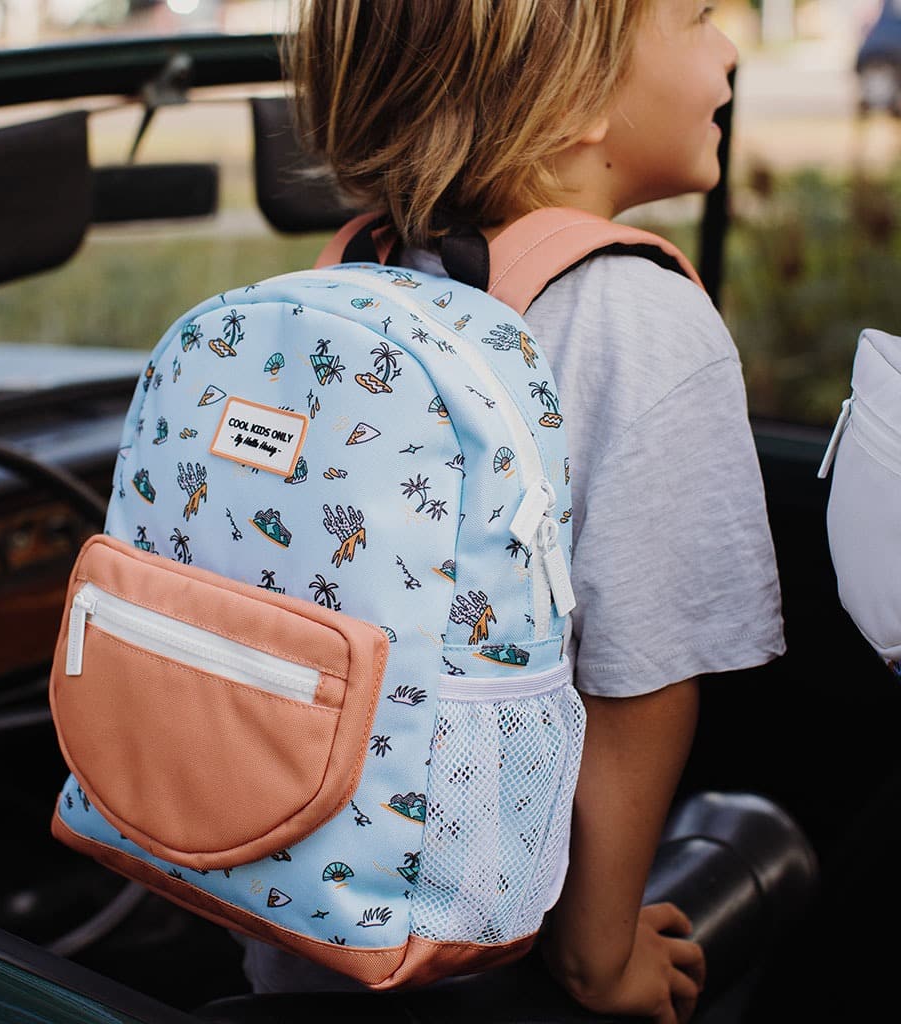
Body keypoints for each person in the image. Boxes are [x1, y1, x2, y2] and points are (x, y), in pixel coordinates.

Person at [237, 3, 787, 1022]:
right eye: (699, 15)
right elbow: (641, 677)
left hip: (294, 904)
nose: (728, 46)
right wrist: (601, 954)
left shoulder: (351, 271)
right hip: (487, 959)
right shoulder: (638, 316)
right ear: (577, 98)